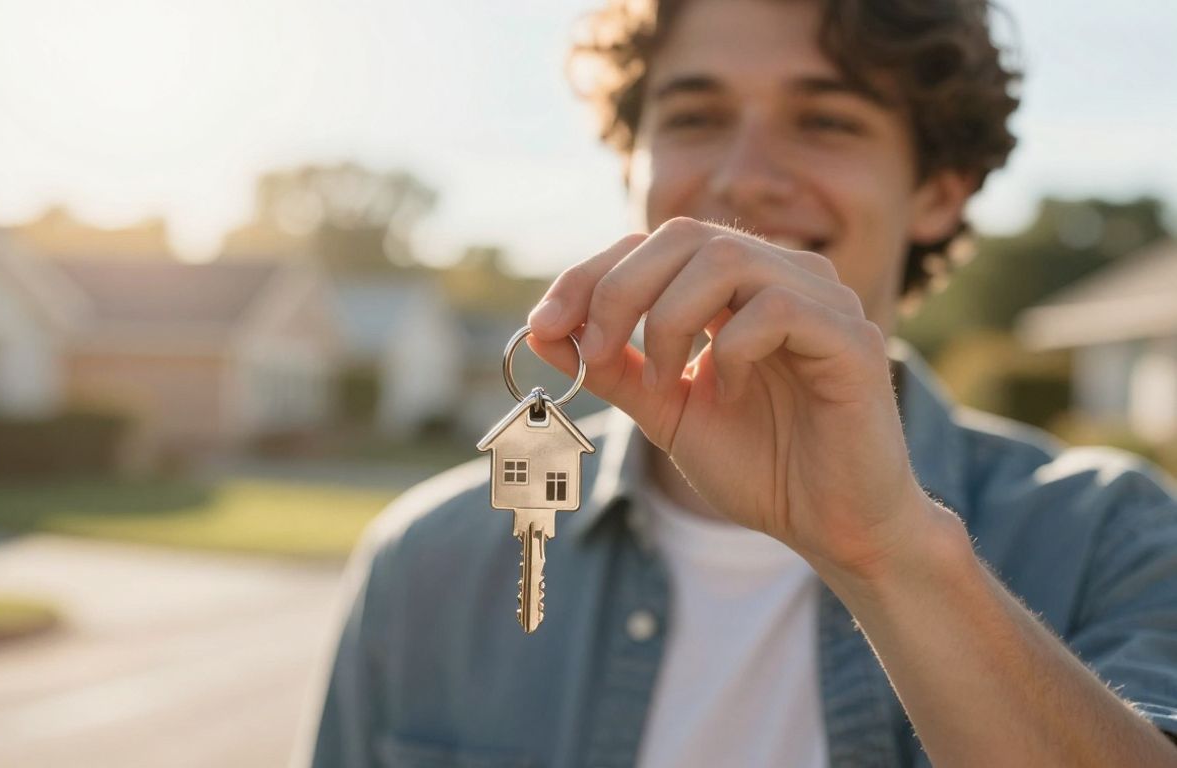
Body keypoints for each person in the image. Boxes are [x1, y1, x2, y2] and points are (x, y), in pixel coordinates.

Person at [301, 0, 1177, 765]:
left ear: (938, 193)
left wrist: (888, 552)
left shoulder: (1112, 534)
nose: (744, 176)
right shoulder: (425, 564)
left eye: (826, 120)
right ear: (631, 166)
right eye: (694, 116)